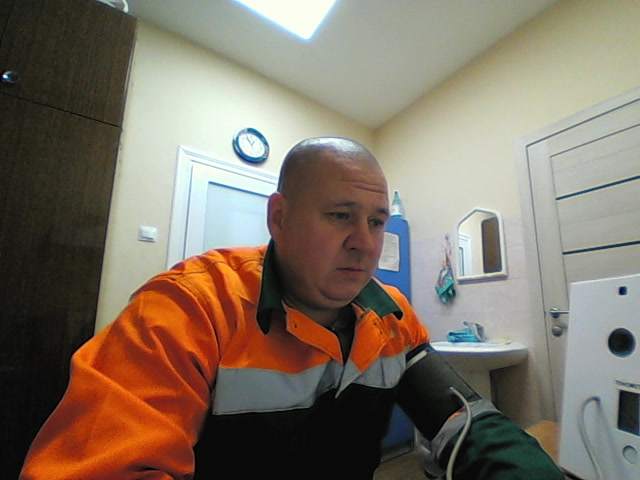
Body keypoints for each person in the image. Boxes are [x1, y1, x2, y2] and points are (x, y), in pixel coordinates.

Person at [20, 137, 564, 479]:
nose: (365, 243)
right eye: (340, 215)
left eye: (376, 221)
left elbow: (465, 421)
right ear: (279, 218)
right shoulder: (189, 307)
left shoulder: (392, 314)